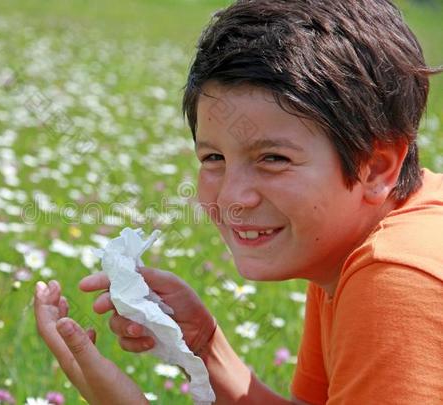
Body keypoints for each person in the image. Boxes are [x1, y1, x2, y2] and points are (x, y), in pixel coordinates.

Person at [35, 0, 443, 403]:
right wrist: (202, 345)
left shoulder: (396, 279)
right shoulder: (352, 247)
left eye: (273, 159)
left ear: (376, 168)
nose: (232, 197)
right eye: (214, 158)